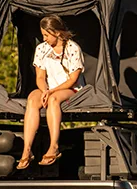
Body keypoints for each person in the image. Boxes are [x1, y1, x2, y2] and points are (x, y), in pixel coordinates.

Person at [17, 16, 86, 169]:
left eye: (46, 35)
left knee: (54, 99)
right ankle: (27, 149)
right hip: (48, 88)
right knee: (32, 99)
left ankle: (53, 145)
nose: (44, 39)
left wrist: (51, 91)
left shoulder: (73, 48)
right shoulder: (41, 49)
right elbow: (40, 77)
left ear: (57, 33)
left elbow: (73, 79)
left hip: (70, 89)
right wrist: (44, 90)